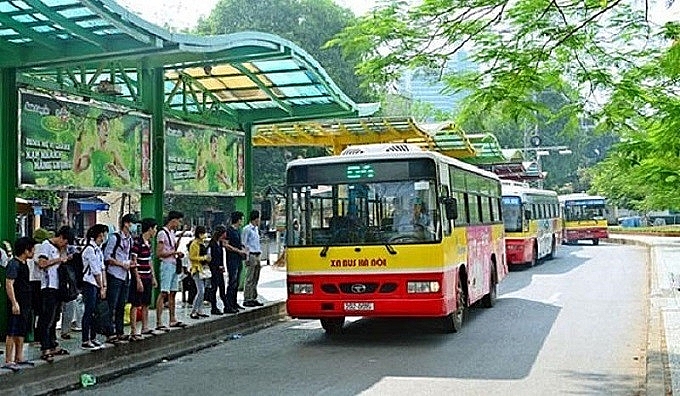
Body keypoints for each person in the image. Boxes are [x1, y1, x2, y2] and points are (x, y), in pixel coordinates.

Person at [36, 226, 74, 362]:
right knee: (47, 318)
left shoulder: (60, 249)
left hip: (58, 287)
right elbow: (42, 263)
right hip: (48, 286)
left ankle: (53, 344)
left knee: (55, 318)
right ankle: (45, 347)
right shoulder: (46, 245)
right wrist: (59, 260)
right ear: (61, 237)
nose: (65, 245)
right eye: (65, 241)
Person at [3, 237, 37, 372]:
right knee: (12, 330)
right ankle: (8, 359)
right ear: (26, 250)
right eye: (32, 249)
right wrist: (14, 302)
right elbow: (9, 283)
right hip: (17, 302)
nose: (34, 252)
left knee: (21, 330)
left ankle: (19, 356)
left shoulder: (24, 264)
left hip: (26, 302)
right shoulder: (14, 264)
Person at [73, 114, 130, 188]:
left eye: (108, 126)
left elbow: (127, 179)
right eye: (104, 125)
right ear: (98, 128)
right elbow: (76, 170)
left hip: (112, 192)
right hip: (98, 192)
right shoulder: (91, 151)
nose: (107, 129)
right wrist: (78, 140)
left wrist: (118, 173)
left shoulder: (112, 152)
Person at [104, 213, 135, 344]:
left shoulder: (130, 239)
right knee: (112, 304)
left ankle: (120, 331)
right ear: (126, 224)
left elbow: (130, 254)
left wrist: (131, 263)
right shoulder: (114, 238)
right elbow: (107, 257)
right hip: (115, 274)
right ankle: (109, 332)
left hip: (125, 275)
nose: (134, 226)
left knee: (122, 305)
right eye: (132, 223)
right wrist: (121, 264)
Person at [155, 211, 187, 330]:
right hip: (167, 265)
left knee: (173, 292)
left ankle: (172, 319)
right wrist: (174, 253)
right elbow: (159, 253)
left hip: (173, 264)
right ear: (173, 220)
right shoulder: (162, 233)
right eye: (178, 221)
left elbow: (173, 247)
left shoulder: (172, 233)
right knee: (164, 292)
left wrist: (180, 237)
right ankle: (159, 321)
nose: (179, 224)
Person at [128, 218, 158, 340]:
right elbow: (134, 261)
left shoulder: (149, 243)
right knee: (136, 303)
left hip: (147, 276)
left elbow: (149, 261)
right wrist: (138, 279)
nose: (155, 231)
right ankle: (134, 330)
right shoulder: (137, 242)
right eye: (155, 228)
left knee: (146, 303)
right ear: (150, 229)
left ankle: (145, 327)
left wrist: (153, 277)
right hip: (139, 277)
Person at [80, 224, 108, 350]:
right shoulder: (89, 250)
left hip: (97, 284)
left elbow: (102, 268)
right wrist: (101, 286)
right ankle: (86, 339)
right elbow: (95, 270)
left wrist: (104, 285)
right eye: (101, 235)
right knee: (89, 311)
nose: (103, 238)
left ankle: (93, 336)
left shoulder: (98, 250)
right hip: (89, 283)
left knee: (96, 312)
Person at [225, 211, 248, 313]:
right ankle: (228, 304)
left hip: (239, 259)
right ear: (238, 220)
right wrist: (237, 251)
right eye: (242, 219)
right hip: (232, 259)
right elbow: (226, 245)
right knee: (232, 281)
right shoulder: (229, 231)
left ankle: (234, 302)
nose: (242, 221)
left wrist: (243, 249)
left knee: (237, 281)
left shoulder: (238, 231)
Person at [242, 210, 264, 307]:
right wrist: (246, 257)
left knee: (256, 277)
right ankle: (247, 298)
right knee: (250, 277)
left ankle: (253, 297)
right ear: (256, 218)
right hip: (250, 254)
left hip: (257, 254)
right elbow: (244, 243)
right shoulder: (247, 229)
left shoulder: (256, 229)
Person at [188, 226, 211, 319]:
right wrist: (204, 258)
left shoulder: (202, 243)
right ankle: (194, 311)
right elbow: (192, 257)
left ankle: (200, 310)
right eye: (203, 233)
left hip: (203, 269)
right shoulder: (194, 244)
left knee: (203, 290)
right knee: (201, 291)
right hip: (197, 269)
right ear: (199, 234)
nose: (204, 235)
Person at [206, 226, 228, 315]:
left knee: (222, 288)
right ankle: (214, 307)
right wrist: (217, 266)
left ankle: (227, 305)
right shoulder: (212, 244)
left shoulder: (220, 243)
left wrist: (222, 266)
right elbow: (209, 258)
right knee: (214, 289)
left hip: (220, 270)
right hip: (214, 270)